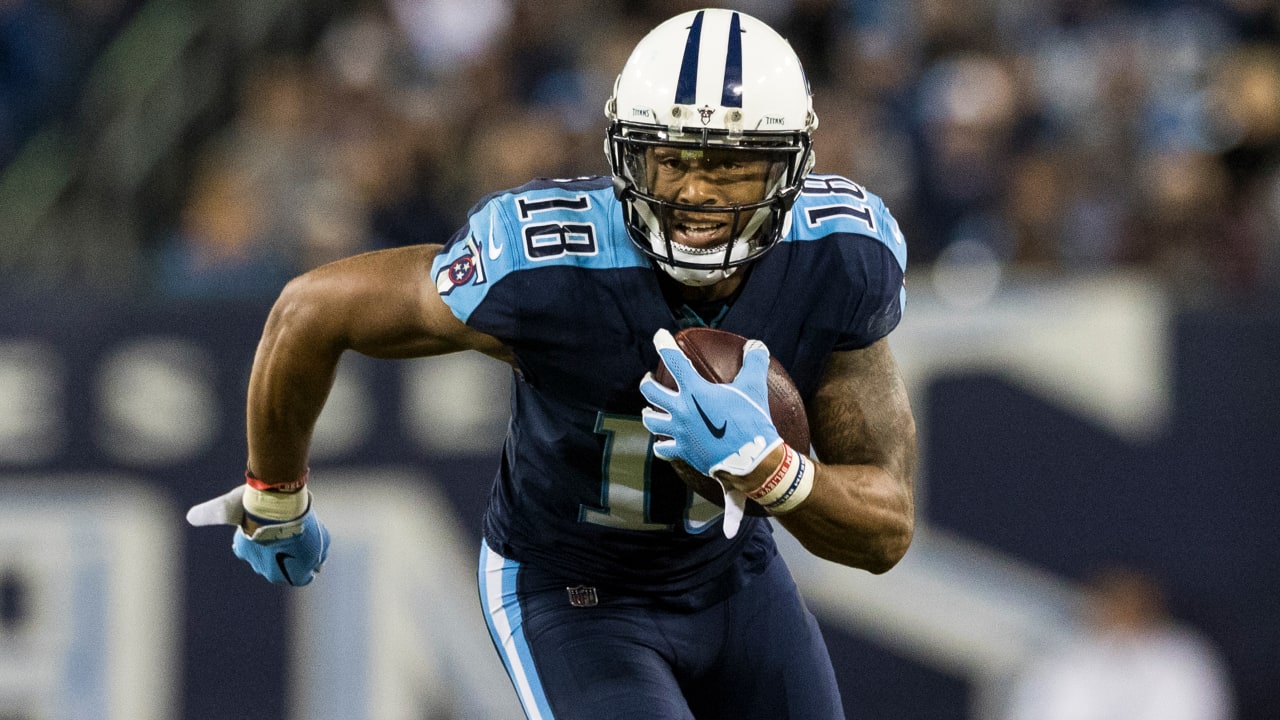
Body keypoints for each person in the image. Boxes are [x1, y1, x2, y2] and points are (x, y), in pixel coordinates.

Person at [187, 8, 916, 719]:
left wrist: (774, 473)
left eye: (727, 164)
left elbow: (885, 528)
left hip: (732, 579)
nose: (694, 192)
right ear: (628, 155)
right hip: (571, 592)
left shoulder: (839, 257)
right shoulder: (545, 261)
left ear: (786, 168)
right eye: (671, 158)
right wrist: (273, 496)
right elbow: (311, 309)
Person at [1001, 566, 1235, 720]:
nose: (1122, 611)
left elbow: (1201, 710)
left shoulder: (1183, 656)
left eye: (1131, 602)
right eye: (1115, 601)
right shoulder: (1064, 657)